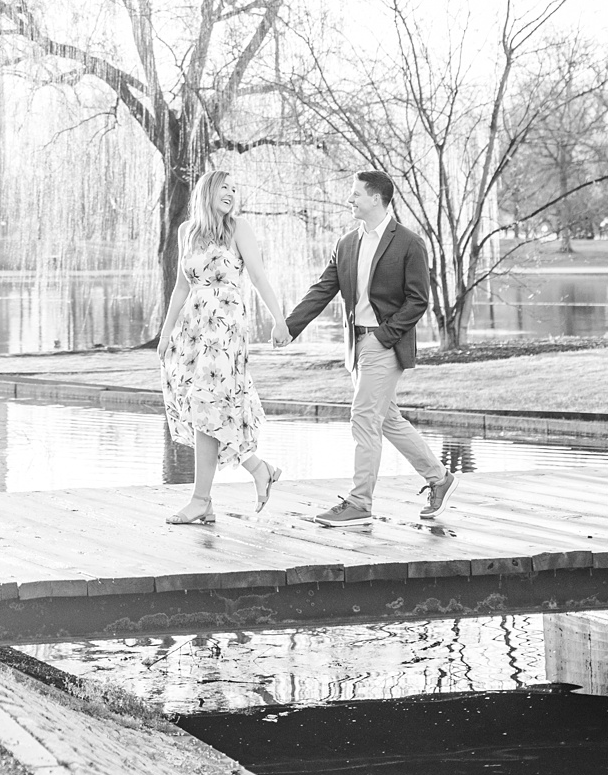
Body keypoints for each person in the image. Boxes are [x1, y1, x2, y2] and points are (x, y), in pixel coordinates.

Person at [282, 169, 454, 527]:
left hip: (383, 342)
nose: (350, 199)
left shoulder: (408, 243)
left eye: (356, 194)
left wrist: (383, 336)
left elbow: (418, 300)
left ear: (377, 198)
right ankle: (439, 478)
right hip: (356, 344)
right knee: (387, 419)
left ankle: (360, 502)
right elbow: (322, 290)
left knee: (363, 417)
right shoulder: (347, 243)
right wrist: (289, 327)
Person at [156, 163, 290, 525]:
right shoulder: (187, 232)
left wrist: (280, 321)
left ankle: (201, 499)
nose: (231, 194)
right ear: (207, 193)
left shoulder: (238, 229)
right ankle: (255, 471)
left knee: (209, 404)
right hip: (192, 330)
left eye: (234, 189)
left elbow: (259, 277)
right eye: (224, 189)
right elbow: (182, 287)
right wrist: (166, 334)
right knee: (203, 407)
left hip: (226, 329)